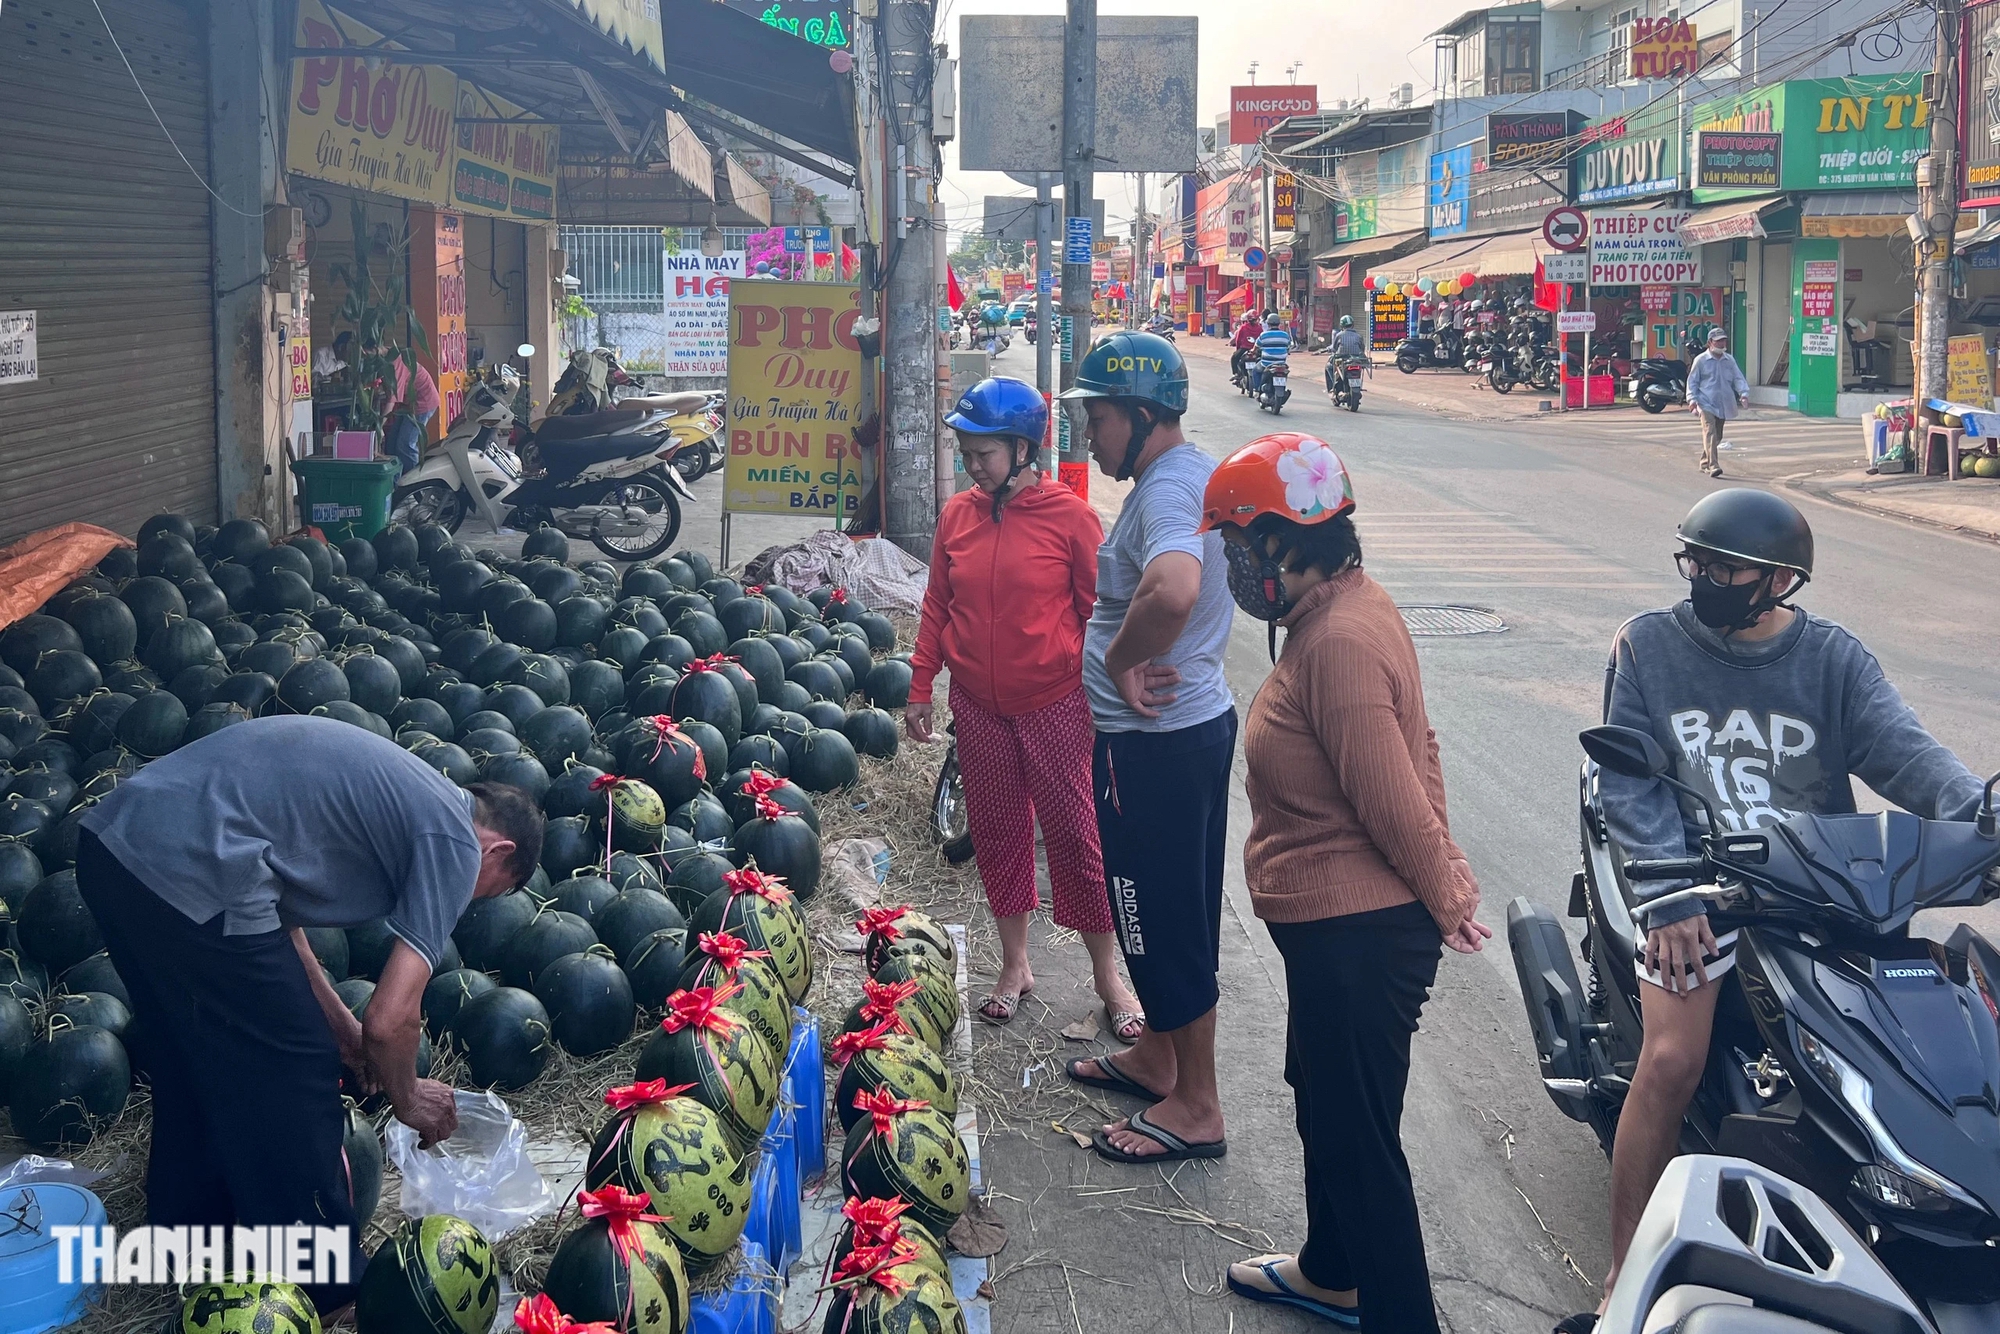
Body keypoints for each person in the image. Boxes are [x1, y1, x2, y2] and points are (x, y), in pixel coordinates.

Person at [1556, 488, 1985, 1334]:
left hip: (1821, 885)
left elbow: (1909, 756)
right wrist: (1670, 896)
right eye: (1696, 562)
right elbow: (1634, 786)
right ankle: (1622, 1280)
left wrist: (1981, 817)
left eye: (1725, 567)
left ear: (1783, 579)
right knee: (1674, 1060)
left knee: (1907, 1052)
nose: (1704, 578)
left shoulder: (1834, 660)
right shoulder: (1648, 645)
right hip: (1700, 888)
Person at [77, 716, 544, 1317]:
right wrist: (408, 1098)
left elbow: (279, 924)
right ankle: (327, 1289)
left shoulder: (399, 794)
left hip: (115, 850)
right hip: (190, 870)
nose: (465, 903)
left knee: (190, 1056)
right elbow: (391, 1018)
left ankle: (186, 1244)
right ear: (498, 850)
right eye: (486, 892)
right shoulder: (454, 838)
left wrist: (342, 1033)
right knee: (297, 1074)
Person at [1193, 433, 1487, 1333]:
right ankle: (1331, 1270)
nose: (1234, 569)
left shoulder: (1341, 641)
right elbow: (1419, 746)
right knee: (1320, 1097)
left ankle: (1400, 1315)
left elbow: (1392, 789)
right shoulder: (1339, 613)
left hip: (1363, 935)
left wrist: (1447, 892)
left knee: (1361, 1146)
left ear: (1287, 544)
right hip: (1336, 933)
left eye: (1241, 548)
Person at [906, 376, 1145, 1040]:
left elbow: (1099, 616)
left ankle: (1107, 975)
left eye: (981, 452)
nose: (971, 465)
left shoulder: (1070, 518)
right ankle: (1015, 966)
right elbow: (937, 608)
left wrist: (1110, 701)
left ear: (1021, 448)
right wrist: (921, 685)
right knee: (998, 835)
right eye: (965, 450)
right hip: (979, 707)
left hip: (1055, 705)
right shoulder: (958, 515)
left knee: (1075, 836)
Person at [1055, 331, 1239, 1164]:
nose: (1090, 437)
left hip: (1155, 747)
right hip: (1178, 736)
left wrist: (1123, 661)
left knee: (1158, 918)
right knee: (1169, 910)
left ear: (1141, 414)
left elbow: (1173, 587)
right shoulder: (1187, 475)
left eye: (1098, 418)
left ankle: (1197, 1103)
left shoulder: (1168, 491)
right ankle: (1162, 1059)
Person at [1685, 327, 1748, 479]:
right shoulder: (1701, 360)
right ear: (1710, 343)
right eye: (1718, 341)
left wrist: (1744, 394)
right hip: (1705, 402)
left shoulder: (1729, 360)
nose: (1722, 344)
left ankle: (1704, 462)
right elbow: (1692, 381)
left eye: (1723, 341)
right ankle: (1713, 465)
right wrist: (1692, 400)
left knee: (1717, 435)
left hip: (1723, 403)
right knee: (1710, 431)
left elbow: (1737, 378)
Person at [372, 342, 440, 475]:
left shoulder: (396, 364)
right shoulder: (386, 356)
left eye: (367, 353)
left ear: (376, 348)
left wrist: (379, 426)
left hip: (422, 402)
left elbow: (391, 401)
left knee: (406, 444)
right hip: (407, 404)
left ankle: (414, 483)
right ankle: (395, 480)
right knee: (391, 443)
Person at [1252, 310, 1293, 395]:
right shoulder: (1285, 335)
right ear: (1279, 323)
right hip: (1281, 363)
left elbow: (1256, 346)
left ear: (1268, 323)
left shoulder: (1263, 335)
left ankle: (1256, 390)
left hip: (1266, 363)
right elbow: (1288, 346)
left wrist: (1253, 351)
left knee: (1255, 370)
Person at [1328, 315, 1368, 397]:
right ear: (1353, 324)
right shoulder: (1358, 336)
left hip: (1343, 360)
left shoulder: (1339, 335)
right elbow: (1362, 348)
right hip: (1357, 360)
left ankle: (1333, 388)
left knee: (1329, 366)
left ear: (1342, 325)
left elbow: (1334, 348)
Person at [1231, 311, 1262, 383]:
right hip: (1256, 350)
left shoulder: (1243, 327)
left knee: (1234, 358)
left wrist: (1238, 348)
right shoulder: (1260, 328)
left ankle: (1236, 374)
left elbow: (1238, 339)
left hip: (1245, 348)